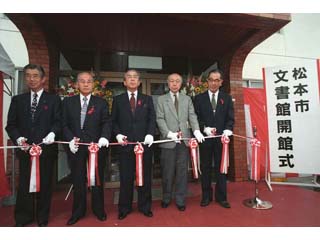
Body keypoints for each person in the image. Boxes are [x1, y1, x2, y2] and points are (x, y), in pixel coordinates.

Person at [6, 64, 61, 227]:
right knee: (24, 185)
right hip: (25, 151)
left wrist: (53, 133)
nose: (31, 79)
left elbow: (58, 122)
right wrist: (18, 139)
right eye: (28, 75)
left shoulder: (53, 100)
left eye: (35, 75)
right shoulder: (18, 100)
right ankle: (23, 217)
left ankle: (42, 217)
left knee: (44, 185)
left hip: (46, 150)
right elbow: (11, 125)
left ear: (43, 79)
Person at [62, 72, 111, 225]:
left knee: (97, 179)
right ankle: (78, 211)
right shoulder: (68, 102)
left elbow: (106, 122)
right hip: (75, 147)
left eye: (88, 81)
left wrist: (104, 137)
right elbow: (63, 123)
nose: (85, 84)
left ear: (93, 84)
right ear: (76, 84)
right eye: (82, 81)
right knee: (78, 180)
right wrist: (70, 139)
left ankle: (99, 210)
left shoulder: (101, 102)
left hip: (95, 148)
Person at [156, 73, 205, 211]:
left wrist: (196, 131)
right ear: (168, 83)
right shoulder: (161, 99)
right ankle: (166, 197)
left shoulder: (187, 99)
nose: (174, 83)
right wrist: (168, 133)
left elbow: (192, 116)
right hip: (168, 142)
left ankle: (180, 199)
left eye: (177, 81)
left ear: (181, 83)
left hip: (184, 141)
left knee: (182, 173)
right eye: (171, 81)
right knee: (167, 172)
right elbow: (159, 118)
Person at [111, 69, 156, 220]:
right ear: (124, 82)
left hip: (144, 146)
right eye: (129, 77)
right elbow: (113, 121)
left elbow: (152, 119)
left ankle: (145, 206)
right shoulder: (117, 100)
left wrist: (150, 133)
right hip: (125, 146)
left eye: (135, 77)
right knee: (126, 178)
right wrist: (117, 134)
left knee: (145, 177)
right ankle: (124, 208)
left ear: (139, 82)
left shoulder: (147, 99)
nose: (132, 80)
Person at [194, 69, 234, 208]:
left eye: (217, 80)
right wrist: (203, 128)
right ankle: (206, 196)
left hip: (222, 139)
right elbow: (195, 118)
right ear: (207, 81)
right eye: (211, 79)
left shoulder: (227, 98)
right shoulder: (199, 98)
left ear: (221, 82)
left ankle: (221, 197)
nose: (214, 83)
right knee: (205, 168)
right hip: (205, 139)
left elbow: (230, 118)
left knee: (221, 168)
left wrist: (228, 129)